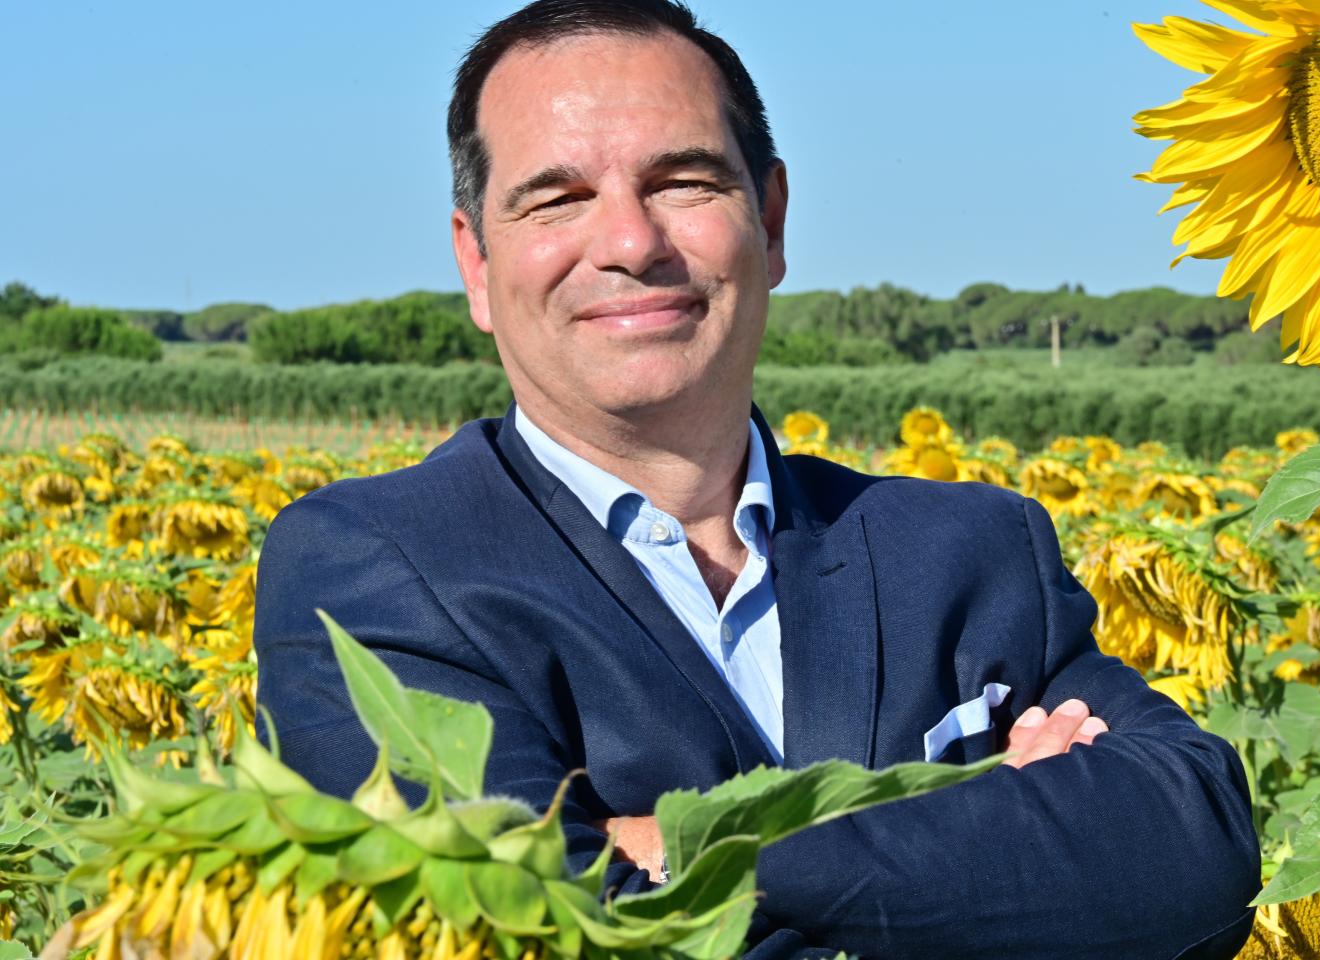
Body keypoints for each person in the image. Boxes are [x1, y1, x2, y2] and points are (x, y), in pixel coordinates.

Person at [252, 1, 1260, 956]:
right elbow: (515, 925)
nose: (630, 243)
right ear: (476, 262)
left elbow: (1191, 845)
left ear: (769, 221)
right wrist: (969, 834)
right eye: (556, 200)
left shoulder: (964, 551)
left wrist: (657, 849)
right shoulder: (374, 567)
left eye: (683, 182)